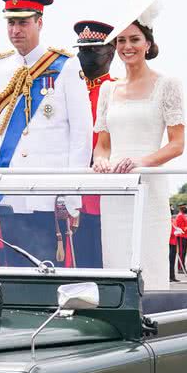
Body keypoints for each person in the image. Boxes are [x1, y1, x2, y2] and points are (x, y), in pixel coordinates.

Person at [0, 0, 92, 267]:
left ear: (39, 23)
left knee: (47, 268)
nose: (16, 30)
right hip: (7, 189)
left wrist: (73, 191)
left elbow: (81, 133)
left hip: (47, 192)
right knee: (9, 271)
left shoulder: (66, 66)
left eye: (23, 22)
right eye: (11, 22)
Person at [91, 0, 185, 289]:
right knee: (117, 262)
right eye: (121, 40)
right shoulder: (108, 89)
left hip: (150, 186)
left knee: (150, 262)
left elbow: (177, 144)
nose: (126, 46)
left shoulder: (167, 84)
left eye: (134, 39)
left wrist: (140, 162)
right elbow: (102, 144)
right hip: (115, 189)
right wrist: (102, 161)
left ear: (148, 44)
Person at [73, 19, 116, 269]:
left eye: (92, 50)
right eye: (81, 50)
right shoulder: (70, 90)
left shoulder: (116, 91)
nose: (84, 56)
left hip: (103, 192)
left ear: (110, 52)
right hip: (74, 190)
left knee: (103, 261)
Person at [174, 203, 187, 274]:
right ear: (182, 208)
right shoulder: (180, 216)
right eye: (185, 207)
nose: (186, 208)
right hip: (181, 237)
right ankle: (180, 268)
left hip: (185, 236)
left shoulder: (183, 216)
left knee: (184, 253)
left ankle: (182, 267)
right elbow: (180, 228)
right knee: (181, 253)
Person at [169, 209, 179, 282]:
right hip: (170, 242)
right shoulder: (168, 220)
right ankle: (169, 276)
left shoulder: (172, 220)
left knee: (173, 261)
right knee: (170, 261)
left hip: (174, 242)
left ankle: (172, 276)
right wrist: (174, 233)